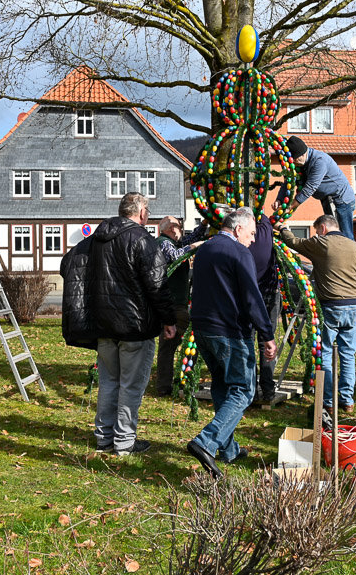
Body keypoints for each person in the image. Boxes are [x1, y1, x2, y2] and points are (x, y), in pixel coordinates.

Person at [59, 192, 177, 456]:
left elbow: (67, 263)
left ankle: (104, 438)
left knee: (109, 382)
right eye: (148, 211)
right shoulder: (142, 240)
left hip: (103, 326)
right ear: (142, 213)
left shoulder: (96, 238)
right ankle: (124, 442)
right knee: (131, 385)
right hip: (135, 328)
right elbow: (157, 285)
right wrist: (169, 320)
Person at [186, 208, 277, 479]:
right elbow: (251, 296)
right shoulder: (239, 252)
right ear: (238, 229)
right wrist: (267, 334)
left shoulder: (205, 249)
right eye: (251, 234)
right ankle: (206, 442)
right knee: (244, 390)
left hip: (203, 329)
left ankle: (228, 449)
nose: (252, 240)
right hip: (230, 331)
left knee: (223, 387)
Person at [276, 214, 356, 413]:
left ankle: (329, 402)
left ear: (322, 228)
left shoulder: (321, 243)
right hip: (354, 306)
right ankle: (347, 400)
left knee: (327, 353)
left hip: (331, 306)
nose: (316, 234)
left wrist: (283, 228)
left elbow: (294, 242)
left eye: (316, 230)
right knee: (348, 354)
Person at [153, 217, 206, 396]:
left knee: (171, 345)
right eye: (178, 226)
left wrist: (204, 225)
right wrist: (195, 247)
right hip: (173, 304)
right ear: (170, 229)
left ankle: (168, 384)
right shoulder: (163, 243)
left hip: (174, 304)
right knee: (188, 341)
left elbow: (189, 240)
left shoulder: (174, 242)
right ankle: (179, 382)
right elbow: (177, 255)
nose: (181, 230)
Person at [274, 136, 356, 238]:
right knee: (332, 234)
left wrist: (290, 206)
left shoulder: (319, 161)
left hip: (342, 199)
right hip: (327, 199)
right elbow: (289, 181)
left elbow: (310, 187)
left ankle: (352, 254)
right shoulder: (301, 163)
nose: (294, 162)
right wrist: (279, 199)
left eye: (295, 159)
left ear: (303, 154)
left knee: (346, 235)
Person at [248, 215, 280, 402]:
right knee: (267, 342)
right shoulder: (267, 229)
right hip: (268, 294)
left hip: (249, 298)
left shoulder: (243, 242)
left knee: (249, 342)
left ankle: (251, 391)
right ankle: (267, 390)